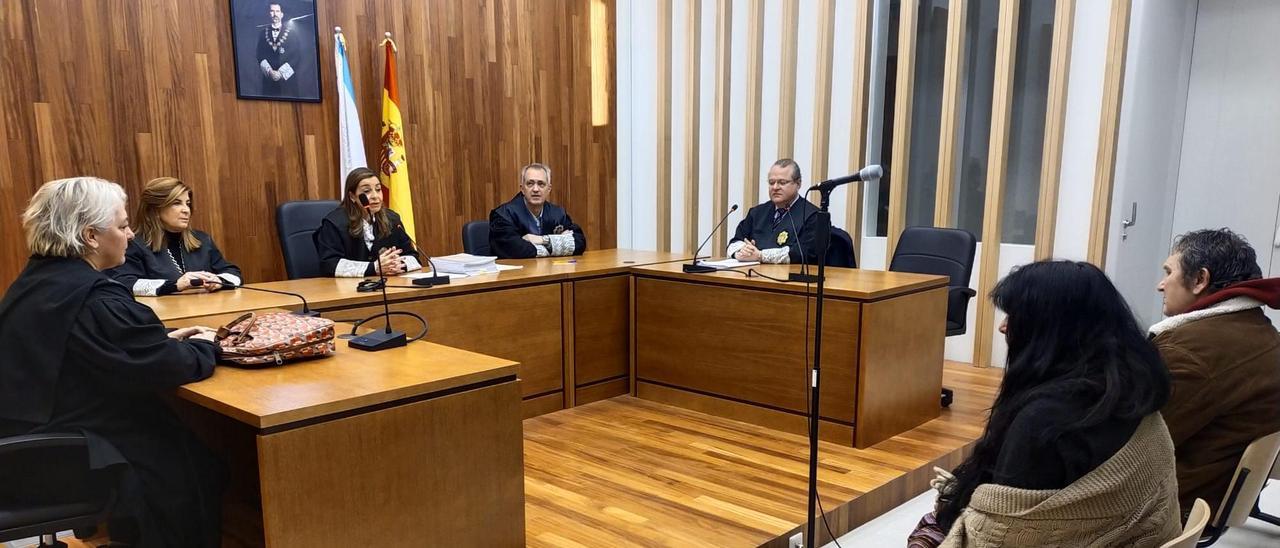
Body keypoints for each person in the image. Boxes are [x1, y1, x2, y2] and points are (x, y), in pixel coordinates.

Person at [0, 177, 223, 547]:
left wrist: (158, 341)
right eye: (121, 226)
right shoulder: (94, 297)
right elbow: (163, 368)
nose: (131, 235)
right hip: (59, 455)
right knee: (197, 464)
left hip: (24, 439)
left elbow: (83, 350)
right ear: (90, 236)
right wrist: (206, 346)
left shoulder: (36, 282)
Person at [909, 261, 1180, 548]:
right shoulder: (1132, 387)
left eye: (1015, 317)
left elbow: (995, 535)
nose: (1003, 327)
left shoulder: (1046, 420)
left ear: (1051, 330)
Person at [1150, 228, 1280, 516]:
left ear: (1199, 280)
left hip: (1172, 506)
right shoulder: (1262, 332)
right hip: (1211, 496)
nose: (1161, 285)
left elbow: (1131, 444)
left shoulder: (1192, 353)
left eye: (1168, 272)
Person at [108, 177, 242, 296]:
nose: (186, 210)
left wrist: (220, 281)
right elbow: (125, 283)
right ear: (155, 209)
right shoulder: (134, 243)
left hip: (205, 311)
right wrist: (176, 285)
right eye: (177, 203)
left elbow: (233, 273)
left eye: (187, 203)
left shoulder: (202, 239)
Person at [314, 167, 422, 277]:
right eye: (367, 191)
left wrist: (395, 265)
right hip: (347, 289)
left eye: (378, 189)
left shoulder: (392, 219)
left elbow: (413, 256)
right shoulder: (334, 223)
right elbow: (329, 264)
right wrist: (374, 268)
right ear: (352, 196)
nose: (375, 196)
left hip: (389, 285)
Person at [727, 159, 823, 264]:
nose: (775, 187)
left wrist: (760, 256)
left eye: (782, 182)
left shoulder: (813, 216)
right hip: (752, 275)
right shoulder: (757, 213)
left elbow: (805, 253)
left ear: (798, 184)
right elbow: (735, 242)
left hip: (789, 277)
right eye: (771, 183)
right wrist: (742, 252)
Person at [489, 162, 586, 258]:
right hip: (518, 272)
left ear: (549, 189)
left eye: (541, 184)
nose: (535, 189)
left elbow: (579, 242)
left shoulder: (558, 214)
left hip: (550, 271)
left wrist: (543, 240)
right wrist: (559, 243)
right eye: (530, 184)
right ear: (522, 188)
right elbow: (514, 249)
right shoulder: (503, 215)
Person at [257, 3, 300, 96]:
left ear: (282, 14)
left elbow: (296, 56)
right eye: (272, 11)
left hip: (287, 82)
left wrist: (280, 73)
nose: (275, 14)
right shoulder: (262, 33)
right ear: (269, 14)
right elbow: (259, 55)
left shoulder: (292, 33)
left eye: (277, 11)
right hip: (269, 82)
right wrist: (270, 71)